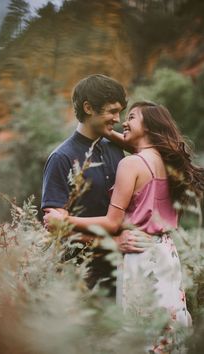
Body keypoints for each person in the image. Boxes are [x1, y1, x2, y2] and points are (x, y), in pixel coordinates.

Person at [45, 101, 204, 350]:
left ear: (149, 126)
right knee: (168, 325)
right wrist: (106, 131)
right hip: (166, 253)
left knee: (140, 333)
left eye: (130, 117)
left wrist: (63, 220)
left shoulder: (130, 164)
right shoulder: (164, 159)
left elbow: (111, 222)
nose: (123, 122)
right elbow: (134, 142)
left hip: (139, 253)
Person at [41, 74, 148, 295]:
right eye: (112, 111)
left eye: (120, 112)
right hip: (82, 277)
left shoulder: (114, 147)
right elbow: (56, 229)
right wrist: (112, 243)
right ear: (88, 108)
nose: (117, 119)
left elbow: (152, 154)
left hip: (125, 269)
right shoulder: (61, 158)